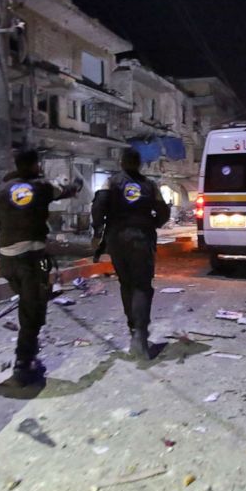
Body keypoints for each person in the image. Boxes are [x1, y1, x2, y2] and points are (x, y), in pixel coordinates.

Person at [0, 148, 83, 385]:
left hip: (8, 261)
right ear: (35, 165)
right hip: (33, 259)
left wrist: (8, 218)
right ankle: (24, 364)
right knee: (31, 310)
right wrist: (76, 183)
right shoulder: (42, 187)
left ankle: (28, 356)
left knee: (28, 305)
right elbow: (68, 190)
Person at [90, 148, 170, 359]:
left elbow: (98, 207)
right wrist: (151, 223)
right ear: (139, 164)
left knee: (126, 284)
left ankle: (133, 330)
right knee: (142, 286)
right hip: (142, 239)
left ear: (122, 162)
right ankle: (140, 336)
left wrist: (98, 231)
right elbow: (163, 212)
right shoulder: (150, 185)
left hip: (117, 239)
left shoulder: (111, 182)